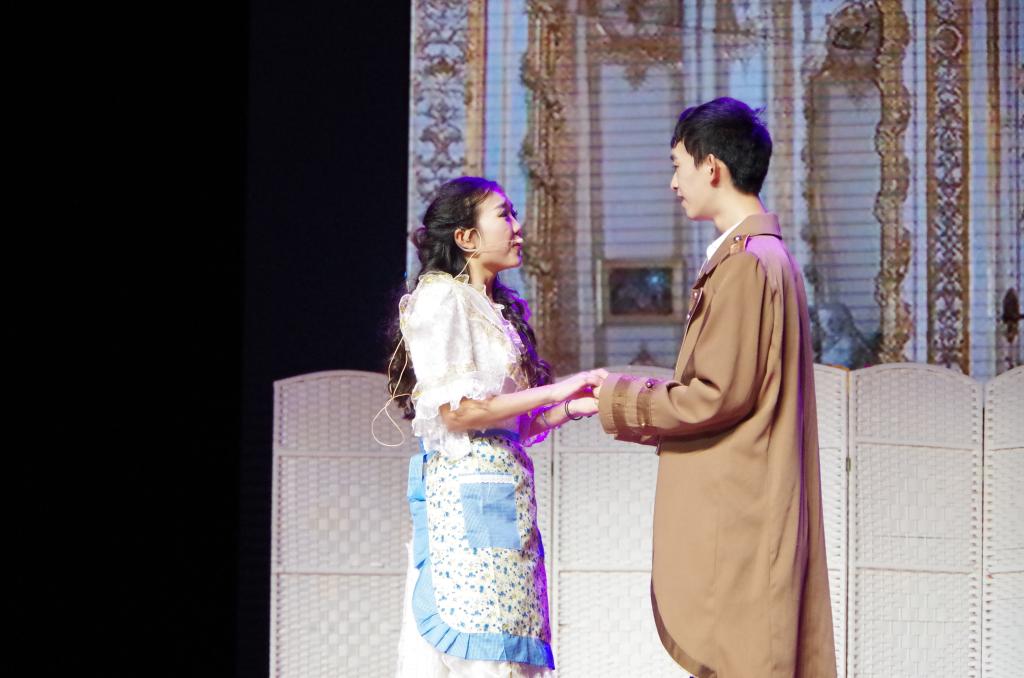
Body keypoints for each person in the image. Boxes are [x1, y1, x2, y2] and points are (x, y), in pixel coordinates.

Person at [593, 98, 837, 677]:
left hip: (744, 513)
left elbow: (716, 395)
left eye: (678, 165)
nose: (673, 183)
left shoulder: (748, 263)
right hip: (754, 501)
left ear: (712, 167)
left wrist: (612, 397)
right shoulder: (761, 256)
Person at [385, 177, 605, 678]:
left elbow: (511, 424)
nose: (517, 226)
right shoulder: (441, 299)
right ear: (466, 237)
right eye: (504, 215)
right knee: (483, 650)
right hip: (467, 500)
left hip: (507, 496)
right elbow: (459, 412)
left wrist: (572, 407)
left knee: (509, 644)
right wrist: (555, 390)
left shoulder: (494, 309)